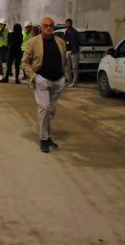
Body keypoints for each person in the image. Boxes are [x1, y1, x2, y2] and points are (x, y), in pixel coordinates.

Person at [21, 17, 68, 153]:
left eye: (51, 26)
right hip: (42, 80)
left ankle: (47, 136)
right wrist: (34, 77)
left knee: (51, 110)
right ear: (41, 27)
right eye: (46, 26)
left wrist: (64, 77)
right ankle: (43, 139)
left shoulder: (60, 42)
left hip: (57, 80)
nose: (49, 28)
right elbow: (24, 62)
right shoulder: (33, 42)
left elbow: (64, 59)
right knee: (44, 108)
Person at [64, 18, 81, 87]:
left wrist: (75, 48)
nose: (67, 24)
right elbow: (64, 41)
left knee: (74, 67)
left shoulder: (75, 32)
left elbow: (79, 41)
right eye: (66, 23)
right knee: (67, 67)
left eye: (69, 23)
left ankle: (74, 82)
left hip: (74, 52)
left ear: (71, 24)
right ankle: (69, 81)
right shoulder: (66, 32)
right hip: (67, 51)